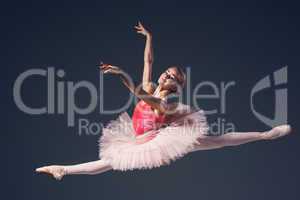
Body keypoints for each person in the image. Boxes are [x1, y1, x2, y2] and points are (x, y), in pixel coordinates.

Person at [36, 22, 291, 180]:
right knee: (109, 163)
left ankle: (265, 135)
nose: (166, 75)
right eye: (167, 71)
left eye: (172, 76)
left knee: (218, 141)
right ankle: (63, 170)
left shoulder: (165, 104)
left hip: (159, 139)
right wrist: (149, 37)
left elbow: (140, 95)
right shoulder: (150, 84)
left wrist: (120, 73)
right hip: (138, 136)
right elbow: (148, 62)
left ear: (176, 86)